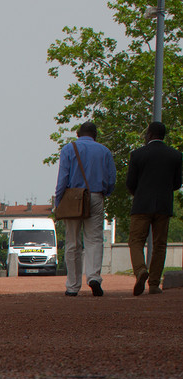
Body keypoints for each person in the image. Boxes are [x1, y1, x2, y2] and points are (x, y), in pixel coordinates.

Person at [54, 122, 116, 297]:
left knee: (72, 241)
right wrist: (104, 193)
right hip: (95, 195)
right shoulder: (104, 151)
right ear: (95, 135)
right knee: (94, 239)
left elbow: (63, 178)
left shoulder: (68, 149)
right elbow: (111, 179)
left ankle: (73, 286)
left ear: (78, 134)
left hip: (72, 196)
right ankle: (94, 277)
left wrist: (59, 201)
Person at [125, 121, 183, 296]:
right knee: (160, 245)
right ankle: (155, 284)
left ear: (149, 135)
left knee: (135, 241)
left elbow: (130, 184)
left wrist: (140, 193)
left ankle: (141, 270)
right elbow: (177, 183)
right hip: (163, 205)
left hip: (141, 205)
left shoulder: (137, 155)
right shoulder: (175, 155)